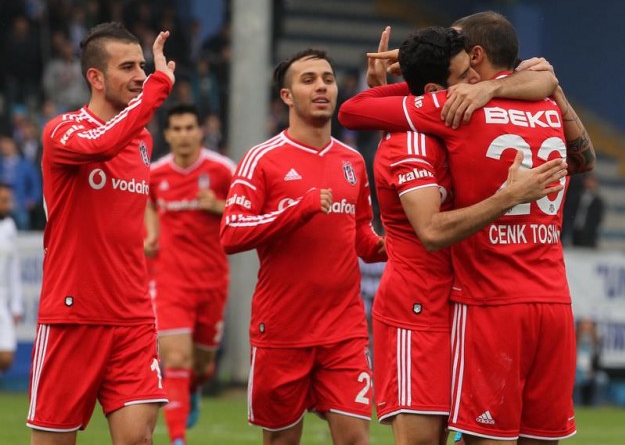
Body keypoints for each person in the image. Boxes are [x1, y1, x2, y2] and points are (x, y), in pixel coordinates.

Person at [339, 13, 595, 444]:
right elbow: (582, 157)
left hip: (488, 302)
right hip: (551, 300)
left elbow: (352, 110)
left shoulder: (455, 108)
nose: (469, 78)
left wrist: (410, 83)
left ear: (476, 56)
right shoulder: (548, 103)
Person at [220, 48, 387, 445]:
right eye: (308, 80)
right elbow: (231, 233)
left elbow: (362, 237)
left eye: (327, 79)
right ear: (287, 96)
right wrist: (299, 209)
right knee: (282, 441)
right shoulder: (262, 159)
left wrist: (395, 245)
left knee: (355, 439)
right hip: (282, 331)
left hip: (344, 330)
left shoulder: (352, 161)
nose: (321, 87)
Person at [27, 22, 176, 444]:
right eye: (127, 67)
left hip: (133, 316)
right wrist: (157, 90)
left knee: (137, 439)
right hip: (72, 316)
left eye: (142, 66)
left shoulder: (143, 140)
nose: (140, 76)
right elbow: (102, 145)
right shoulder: (63, 131)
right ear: (95, 77)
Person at [144, 103, 235, 445]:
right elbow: (146, 203)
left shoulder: (223, 170)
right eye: (177, 129)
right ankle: (178, 439)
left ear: (200, 132)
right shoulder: (155, 174)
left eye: (189, 128)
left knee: (202, 365)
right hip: (170, 282)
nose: (183, 135)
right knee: (176, 358)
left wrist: (220, 206)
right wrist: (150, 234)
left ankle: (194, 388)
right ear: (167, 134)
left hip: (212, 281)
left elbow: (248, 211)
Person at [0, 183, 22, 374]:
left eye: (9, 200)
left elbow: (13, 269)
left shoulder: (9, 227)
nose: (8, 205)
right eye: (3, 200)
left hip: (2, 299)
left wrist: (16, 305)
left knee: (6, 357)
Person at [571, 172, 605, 248]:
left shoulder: (598, 201)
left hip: (589, 236)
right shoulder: (577, 197)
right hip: (575, 233)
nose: (589, 183)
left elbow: (597, 219)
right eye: (588, 180)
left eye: (592, 181)